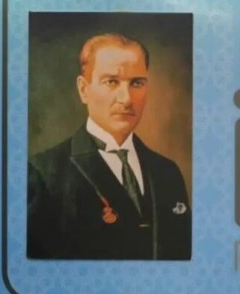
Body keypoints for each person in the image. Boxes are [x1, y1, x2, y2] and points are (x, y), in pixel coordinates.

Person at [27, 33, 191, 260]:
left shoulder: (167, 172)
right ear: (84, 90)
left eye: (137, 83)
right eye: (111, 82)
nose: (127, 98)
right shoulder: (43, 174)